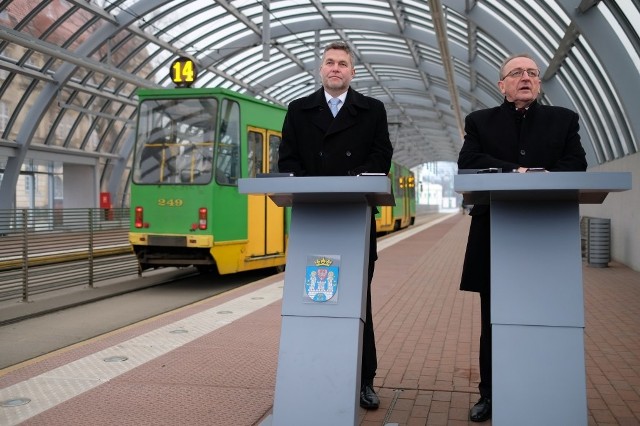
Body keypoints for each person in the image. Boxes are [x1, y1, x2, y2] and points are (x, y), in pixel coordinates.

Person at [457, 53, 587, 422]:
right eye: (516, 73)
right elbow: (467, 162)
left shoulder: (564, 120)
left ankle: (544, 386)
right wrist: (516, 170)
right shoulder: (480, 121)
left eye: (532, 73)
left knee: (547, 311)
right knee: (492, 319)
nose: (525, 78)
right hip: (493, 231)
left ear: (539, 83)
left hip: (548, 232)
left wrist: (536, 174)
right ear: (502, 85)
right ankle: (491, 395)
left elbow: (576, 163)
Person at [278, 41, 393, 410]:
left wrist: (352, 183)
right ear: (320, 69)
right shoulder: (298, 110)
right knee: (310, 300)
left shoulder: (372, 110)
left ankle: (364, 380)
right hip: (313, 219)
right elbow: (288, 160)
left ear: (352, 72)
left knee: (359, 301)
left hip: (355, 219)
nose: (336, 68)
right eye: (330, 62)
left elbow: (382, 157)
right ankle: (312, 373)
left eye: (343, 64)